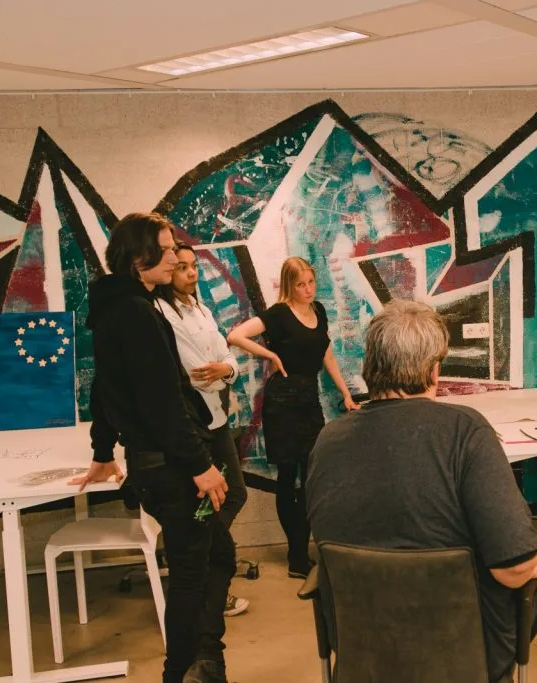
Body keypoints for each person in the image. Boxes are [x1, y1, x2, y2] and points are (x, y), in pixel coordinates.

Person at [306, 299, 537, 683]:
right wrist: (533, 565)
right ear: (432, 371)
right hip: (465, 652)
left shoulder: (328, 440)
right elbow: (513, 566)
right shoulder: (465, 431)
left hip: (361, 648)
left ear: (371, 367)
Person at [72, 212, 235, 683]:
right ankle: (182, 673)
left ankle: (205, 666)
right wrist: (201, 466)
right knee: (191, 576)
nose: (173, 257)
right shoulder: (137, 314)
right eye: (164, 251)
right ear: (138, 258)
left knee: (215, 557)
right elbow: (164, 403)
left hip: (153, 466)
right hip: (171, 469)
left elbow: (104, 388)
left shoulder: (117, 309)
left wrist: (103, 452)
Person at [226, 256, 359, 579]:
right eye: (300, 284)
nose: (308, 289)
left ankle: (306, 547)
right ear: (289, 285)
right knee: (288, 476)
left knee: (312, 475)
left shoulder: (319, 312)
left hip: (309, 400)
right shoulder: (279, 314)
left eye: (311, 282)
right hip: (282, 401)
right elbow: (235, 336)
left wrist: (345, 392)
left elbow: (325, 351)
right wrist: (270, 354)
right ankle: (296, 556)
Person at [154, 242, 249, 618]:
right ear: (167, 272)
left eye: (194, 266)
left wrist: (226, 370)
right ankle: (207, 585)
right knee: (206, 510)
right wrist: (219, 373)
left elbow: (226, 359)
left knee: (234, 496)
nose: (191, 273)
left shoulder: (201, 308)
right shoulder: (162, 313)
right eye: (181, 267)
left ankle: (194, 560)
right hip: (195, 424)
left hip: (218, 419)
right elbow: (197, 373)